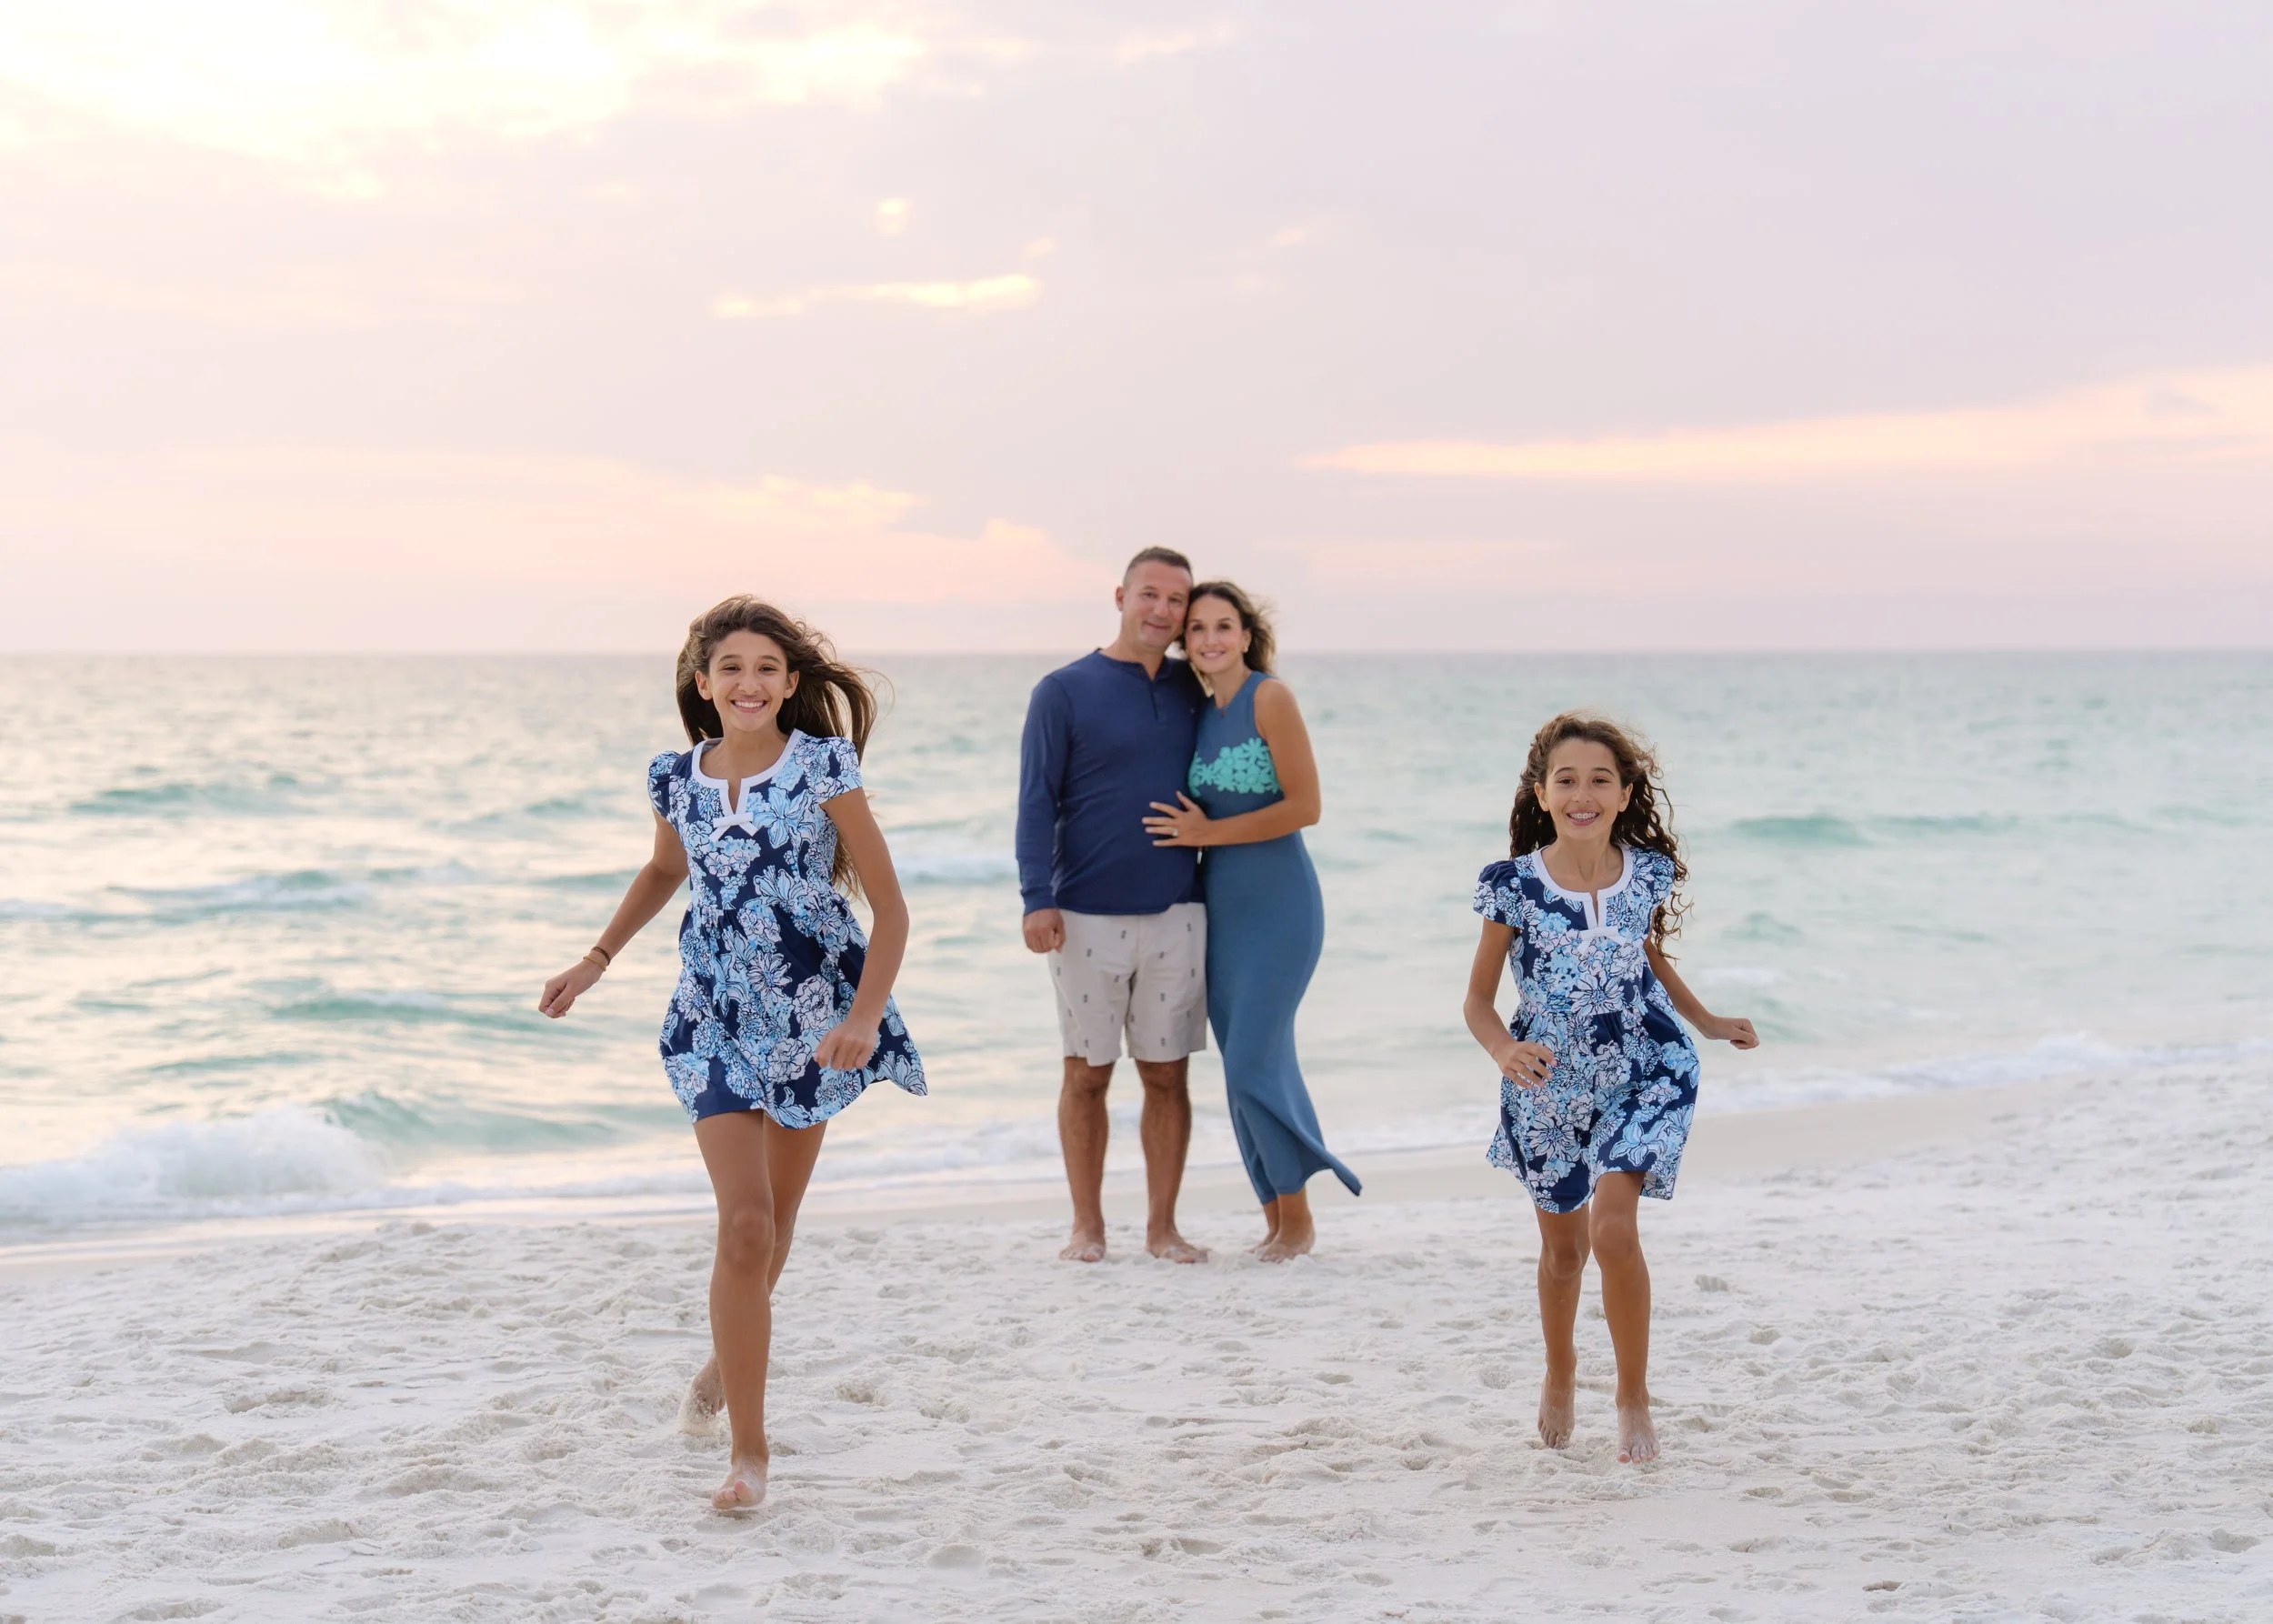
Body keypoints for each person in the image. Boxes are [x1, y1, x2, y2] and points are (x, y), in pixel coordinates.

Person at [538, 596, 925, 1510]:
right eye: (730, 668)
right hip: (710, 1012)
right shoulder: (675, 778)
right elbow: (665, 870)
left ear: (791, 685)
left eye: (765, 668)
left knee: (774, 1231)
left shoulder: (825, 764)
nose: (747, 682)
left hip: (812, 1015)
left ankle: (722, 1363)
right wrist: (595, 960)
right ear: (701, 682)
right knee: (745, 1226)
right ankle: (748, 1455)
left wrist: (863, 1018)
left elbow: (892, 908)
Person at [1460, 713, 1757, 1465]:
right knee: (1564, 1255)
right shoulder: (1514, 888)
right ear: (1542, 792)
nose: (1583, 793)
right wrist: (1503, 1050)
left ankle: (1632, 1398)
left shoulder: (1644, 874)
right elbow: (1476, 1000)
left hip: (1644, 1064)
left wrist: (1707, 1021)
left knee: (1613, 1231)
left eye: (1600, 780)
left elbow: (1648, 959)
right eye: (1567, 780)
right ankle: (1561, 1369)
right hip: (1547, 1082)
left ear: (1626, 794)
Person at [1142, 583, 1359, 1259]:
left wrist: (1210, 829)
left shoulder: (1271, 697)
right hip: (1221, 908)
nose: (1211, 639)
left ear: (1245, 634)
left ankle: (1298, 1219)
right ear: (1187, 643)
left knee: (1254, 1062)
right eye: (1199, 628)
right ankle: (1273, 1214)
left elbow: (1306, 806)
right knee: (1242, 1062)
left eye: (1224, 626)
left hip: (1281, 904)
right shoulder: (1202, 715)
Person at [1016, 548, 1210, 1264]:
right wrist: (1037, 898)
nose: (1162, 610)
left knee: (1167, 1073)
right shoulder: (1063, 690)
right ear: (1120, 595)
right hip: (1084, 912)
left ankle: (1162, 1228)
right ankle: (1087, 1227)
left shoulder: (1199, 689)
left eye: (1176, 600)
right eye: (1149, 595)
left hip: (1178, 909)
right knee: (1086, 1073)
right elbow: (1036, 801)